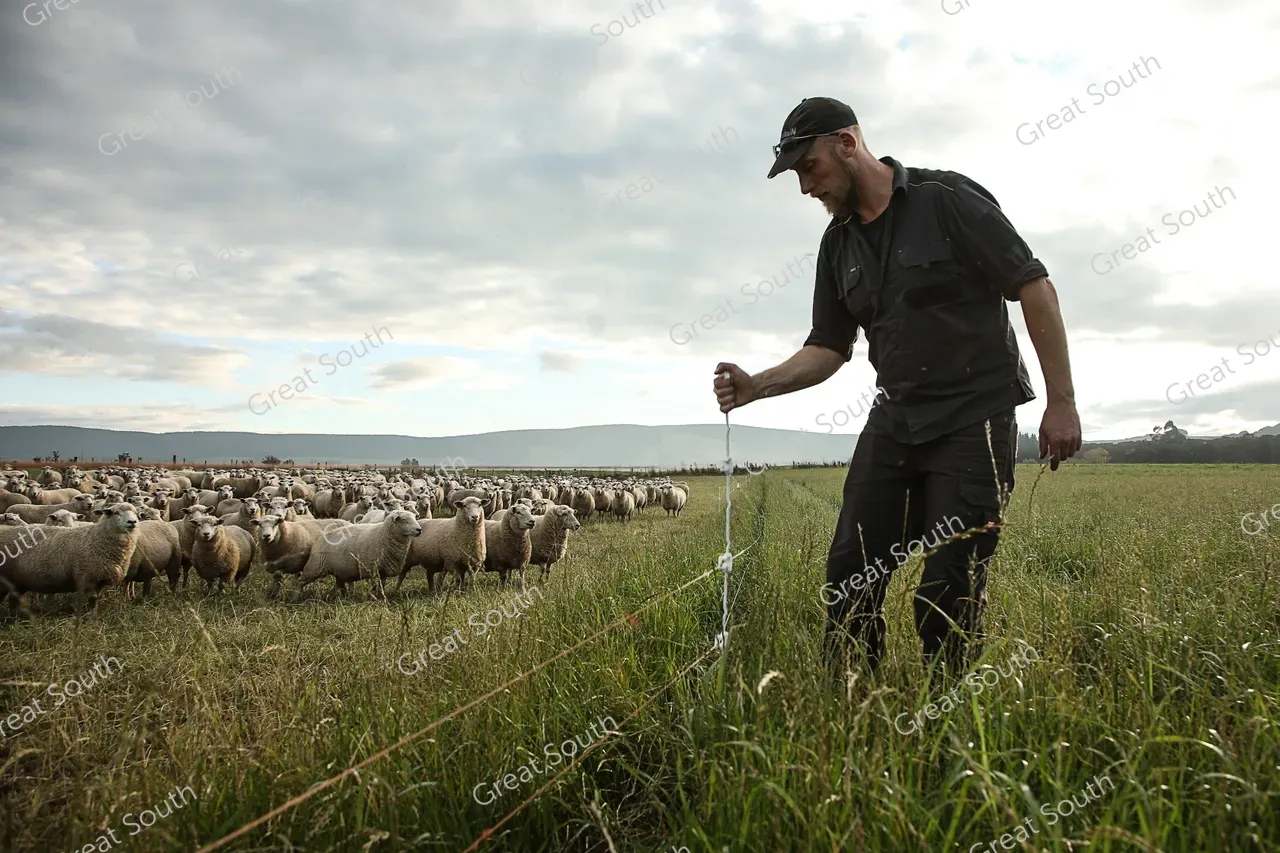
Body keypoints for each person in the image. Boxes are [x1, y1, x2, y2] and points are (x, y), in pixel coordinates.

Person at [713, 97, 1081, 681]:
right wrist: (758, 385)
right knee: (848, 575)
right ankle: (855, 710)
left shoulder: (947, 202)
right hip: (896, 421)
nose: (805, 187)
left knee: (948, 590)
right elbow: (828, 348)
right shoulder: (838, 246)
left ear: (847, 144)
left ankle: (946, 729)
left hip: (974, 418)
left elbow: (1033, 285)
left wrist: (1062, 401)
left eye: (808, 168)